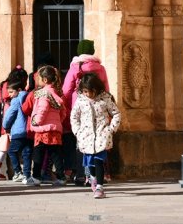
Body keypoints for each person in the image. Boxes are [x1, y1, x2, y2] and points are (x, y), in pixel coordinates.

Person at [62, 39, 109, 184]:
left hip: (81, 106)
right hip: (98, 107)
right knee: (98, 140)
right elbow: (106, 88)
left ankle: (83, 174)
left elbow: (66, 90)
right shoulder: (100, 68)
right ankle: (99, 174)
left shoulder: (75, 67)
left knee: (81, 140)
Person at [70, 72, 121, 199]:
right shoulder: (80, 101)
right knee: (90, 163)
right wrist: (77, 131)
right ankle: (92, 177)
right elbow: (74, 117)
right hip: (86, 137)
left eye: (90, 91)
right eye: (85, 92)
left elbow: (116, 113)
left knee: (99, 161)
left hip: (101, 135)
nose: (88, 94)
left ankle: (100, 186)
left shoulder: (105, 99)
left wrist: (111, 129)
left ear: (96, 89)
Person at [27, 65, 67, 187]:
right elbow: (63, 112)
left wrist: (36, 121)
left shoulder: (43, 94)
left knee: (38, 154)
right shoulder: (56, 94)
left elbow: (43, 109)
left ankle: (36, 177)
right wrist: (57, 122)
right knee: (56, 155)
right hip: (54, 129)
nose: (37, 81)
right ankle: (61, 177)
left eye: (38, 78)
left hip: (43, 129)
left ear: (44, 80)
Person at [3, 73, 32, 184]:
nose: (9, 95)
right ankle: (27, 175)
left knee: (11, 151)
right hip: (28, 130)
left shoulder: (16, 100)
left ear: (18, 90)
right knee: (27, 153)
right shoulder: (28, 97)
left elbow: (9, 115)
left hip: (18, 131)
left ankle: (18, 172)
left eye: (11, 92)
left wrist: (5, 125)